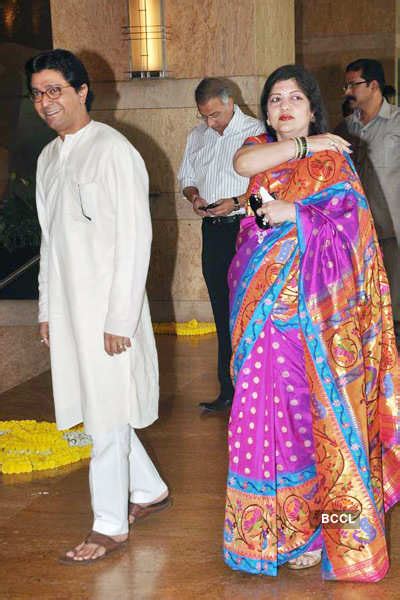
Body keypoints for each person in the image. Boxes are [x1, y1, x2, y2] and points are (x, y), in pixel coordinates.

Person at [223, 64, 400, 581]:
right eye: (275, 99)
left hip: (315, 325)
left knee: (309, 424)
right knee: (258, 421)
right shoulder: (267, 151)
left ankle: (317, 531)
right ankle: (266, 533)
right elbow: (246, 173)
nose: (284, 107)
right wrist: (302, 150)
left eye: (295, 98)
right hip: (261, 320)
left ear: (312, 106)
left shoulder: (335, 162)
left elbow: (354, 235)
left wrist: (292, 214)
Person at [26, 49, 170, 564]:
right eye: (38, 92)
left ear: (82, 90)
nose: (46, 102)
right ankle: (148, 490)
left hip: (111, 313)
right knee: (97, 408)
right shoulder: (48, 158)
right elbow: (50, 243)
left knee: (106, 416)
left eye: (55, 90)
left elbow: (136, 240)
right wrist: (47, 309)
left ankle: (109, 523)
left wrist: (119, 318)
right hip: (69, 312)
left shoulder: (114, 150)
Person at [178, 78, 264, 412]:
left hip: (245, 229)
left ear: (230, 102)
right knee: (220, 309)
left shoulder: (256, 132)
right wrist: (195, 197)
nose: (210, 123)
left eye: (215, 114)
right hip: (211, 231)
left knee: (247, 309)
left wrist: (237, 202)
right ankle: (226, 390)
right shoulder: (197, 136)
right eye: (204, 116)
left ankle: (253, 389)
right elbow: (186, 177)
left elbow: (268, 184)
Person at [341, 59, 400, 346]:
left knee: (395, 308)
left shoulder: (397, 123)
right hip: (355, 235)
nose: (347, 90)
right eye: (347, 84)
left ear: (373, 85)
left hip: (391, 233)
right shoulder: (344, 128)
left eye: (353, 84)